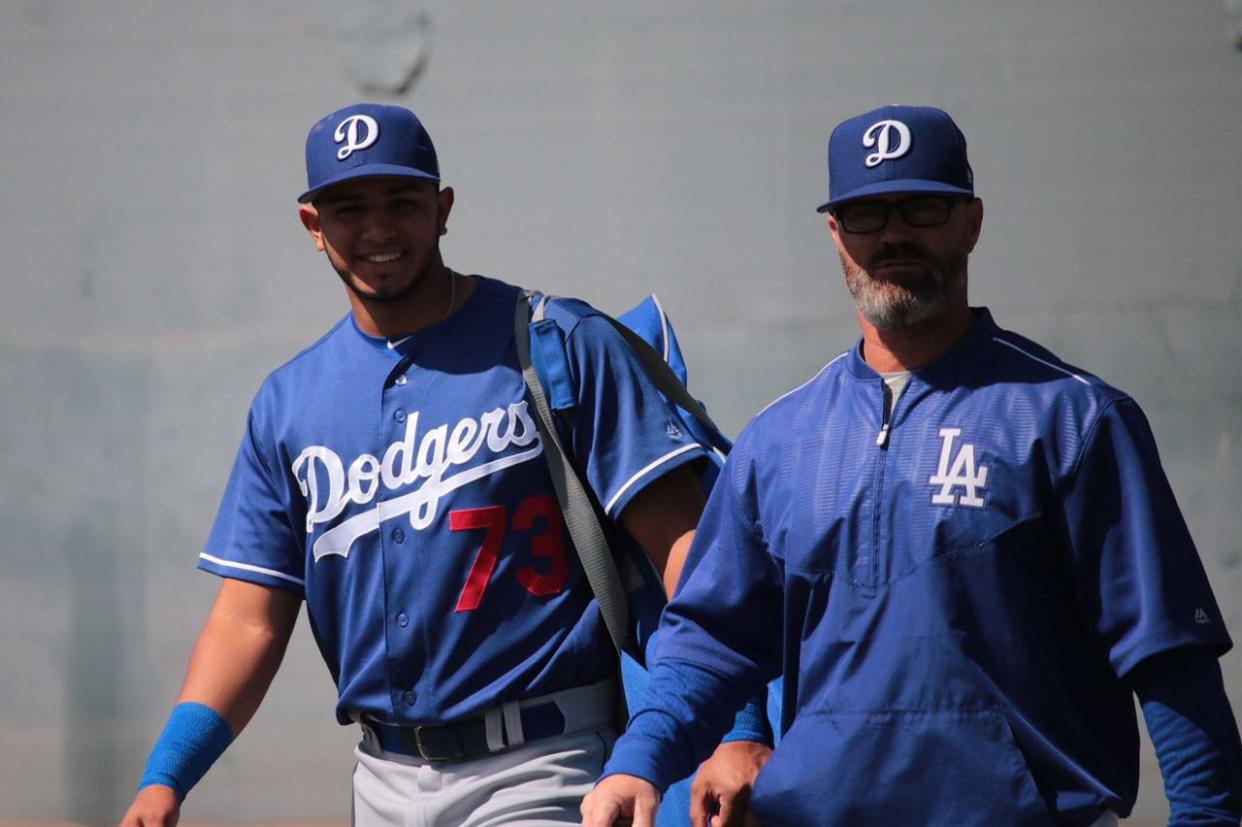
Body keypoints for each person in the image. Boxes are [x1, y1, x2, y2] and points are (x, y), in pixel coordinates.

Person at [582, 105, 1242, 826]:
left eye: (921, 206)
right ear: (836, 234)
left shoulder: (1073, 419)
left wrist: (1208, 815)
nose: (894, 233)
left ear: (971, 222)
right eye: (866, 213)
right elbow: (710, 642)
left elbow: (1168, 652)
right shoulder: (781, 441)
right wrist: (638, 761)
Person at [119, 102, 765, 827]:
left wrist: (737, 725)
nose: (377, 229)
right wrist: (166, 776)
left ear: (443, 208)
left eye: (401, 201)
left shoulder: (556, 343)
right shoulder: (289, 403)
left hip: (544, 760)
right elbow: (249, 620)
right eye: (347, 206)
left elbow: (692, 554)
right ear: (313, 225)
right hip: (380, 777)